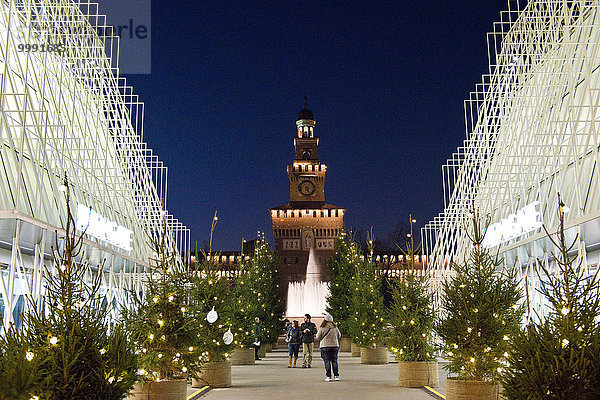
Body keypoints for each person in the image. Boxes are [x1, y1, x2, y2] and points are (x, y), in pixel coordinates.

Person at [316, 314, 341, 381]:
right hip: (335, 346)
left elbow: (318, 337)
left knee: (327, 361)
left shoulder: (322, 328)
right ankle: (336, 376)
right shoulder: (335, 327)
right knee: (334, 361)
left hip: (325, 346)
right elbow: (339, 335)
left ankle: (328, 376)